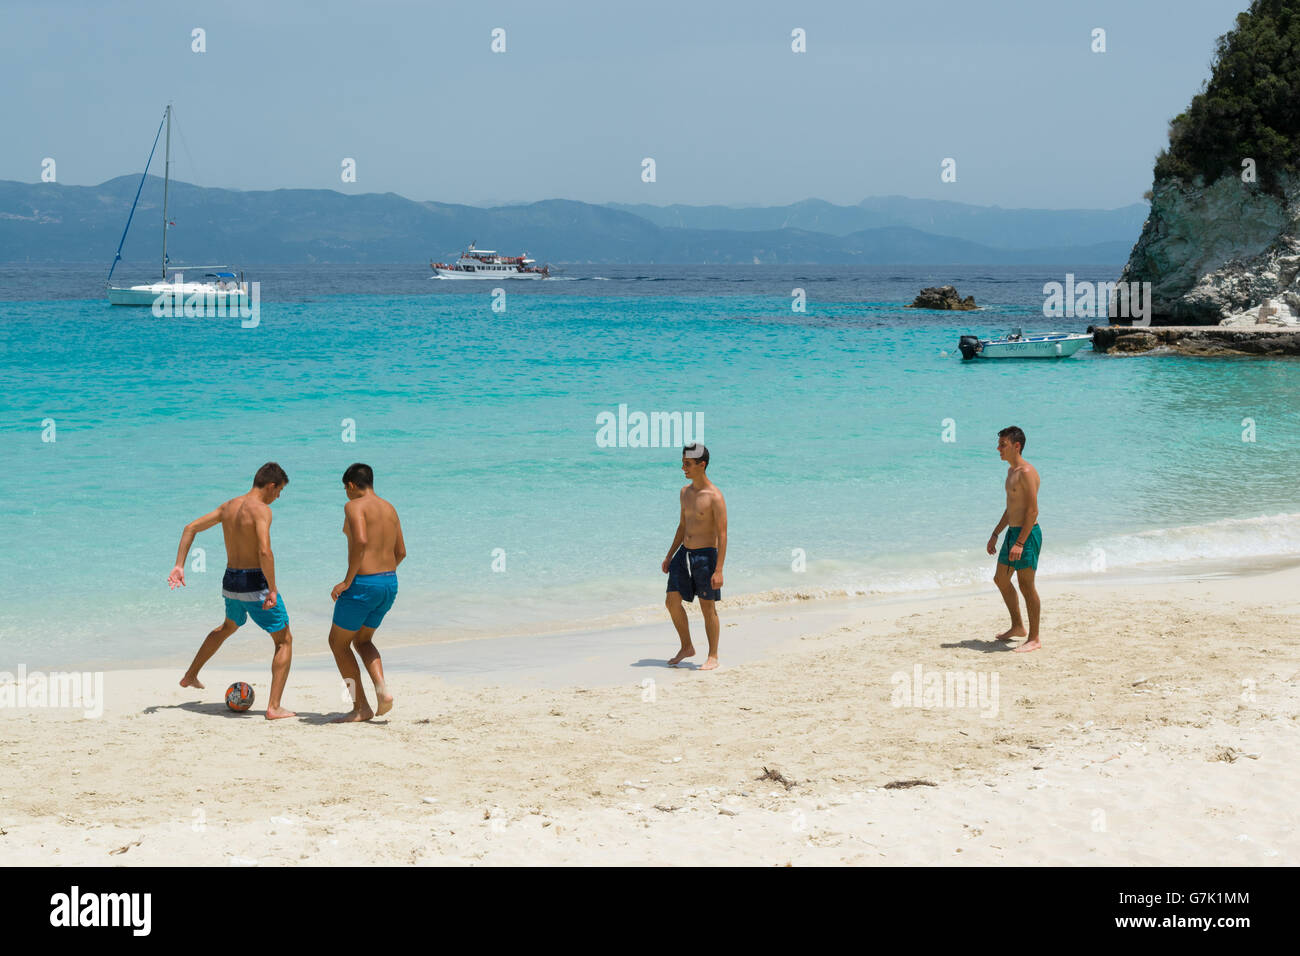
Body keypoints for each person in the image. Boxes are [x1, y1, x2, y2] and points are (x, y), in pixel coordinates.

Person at [167, 462, 295, 719]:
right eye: (279, 491)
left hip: (231, 581)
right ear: (271, 486)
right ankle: (274, 707)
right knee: (284, 641)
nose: (278, 497)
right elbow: (264, 551)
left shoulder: (229, 506)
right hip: (255, 583)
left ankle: (190, 675)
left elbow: (189, 528)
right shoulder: (262, 510)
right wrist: (272, 588)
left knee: (228, 626)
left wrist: (179, 565)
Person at [328, 463, 406, 722]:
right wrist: (381, 577)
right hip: (389, 583)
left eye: (344, 488)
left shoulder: (354, 506)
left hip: (363, 584)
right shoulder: (390, 508)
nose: (345, 494)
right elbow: (401, 553)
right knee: (362, 641)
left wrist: (347, 582)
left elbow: (360, 541)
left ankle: (360, 706)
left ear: (351, 485)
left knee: (337, 644)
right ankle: (382, 691)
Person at [662, 443, 728, 670]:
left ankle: (713, 656)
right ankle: (687, 646)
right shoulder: (685, 492)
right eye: (682, 463)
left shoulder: (715, 497)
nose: (683, 468)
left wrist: (719, 569)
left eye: (688, 464)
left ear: (702, 465)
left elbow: (722, 534)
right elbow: (682, 526)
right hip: (684, 554)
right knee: (671, 602)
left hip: (706, 556)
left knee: (707, 607)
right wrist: (670, 555)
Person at [986, 426, 1043, 653]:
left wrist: (1020, 543)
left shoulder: (1027, 472)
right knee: (1001, 579)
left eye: (1003, 445)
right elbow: (1012, 509)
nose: (998, 448)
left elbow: (1032, 511)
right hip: (1012, 533)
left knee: (1026, 585)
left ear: (1016, 446)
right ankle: (1018, 626)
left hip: (1027, 535)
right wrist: (996, 533)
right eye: (999, 444)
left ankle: (1035, 637)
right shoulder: (1011, 472)